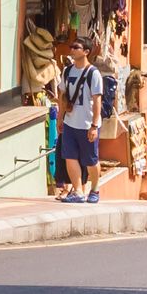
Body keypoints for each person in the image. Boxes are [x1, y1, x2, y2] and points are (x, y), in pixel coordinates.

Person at [56, 36, 103, 203]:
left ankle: (95, 189)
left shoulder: (93, 73)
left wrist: (94, 125)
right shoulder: (67, 71)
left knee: (90, 160)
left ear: (86, 52)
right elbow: (62, 96)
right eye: (72, 46)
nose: (72, 49)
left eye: (76, 47)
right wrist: (60, 118)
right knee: (70, 157)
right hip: (70, 122)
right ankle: (77, 191)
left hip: (87, 124)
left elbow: (97, 100)